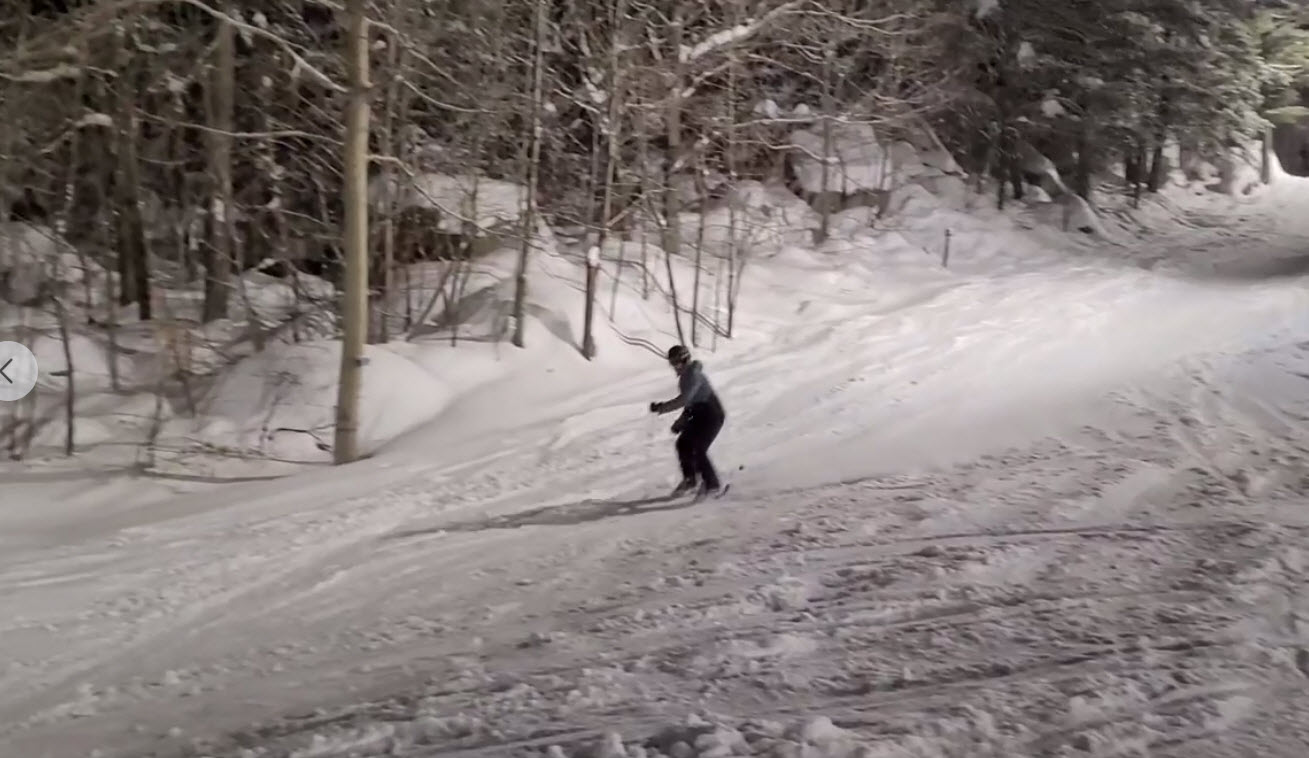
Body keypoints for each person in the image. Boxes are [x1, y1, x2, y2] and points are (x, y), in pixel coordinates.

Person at [649, 344, 726, 497]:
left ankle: (713, 485)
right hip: (699, 415)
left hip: (712, 414)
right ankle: (690, 479)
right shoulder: (685, 377)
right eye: (671, 364)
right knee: (683, 444)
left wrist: (662, 407)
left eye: (676, 363)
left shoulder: (693, 375)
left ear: (684, 360)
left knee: (698, 448)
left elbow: (684, 400)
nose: (674, 367)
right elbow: (690, 405)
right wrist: (681, 422)